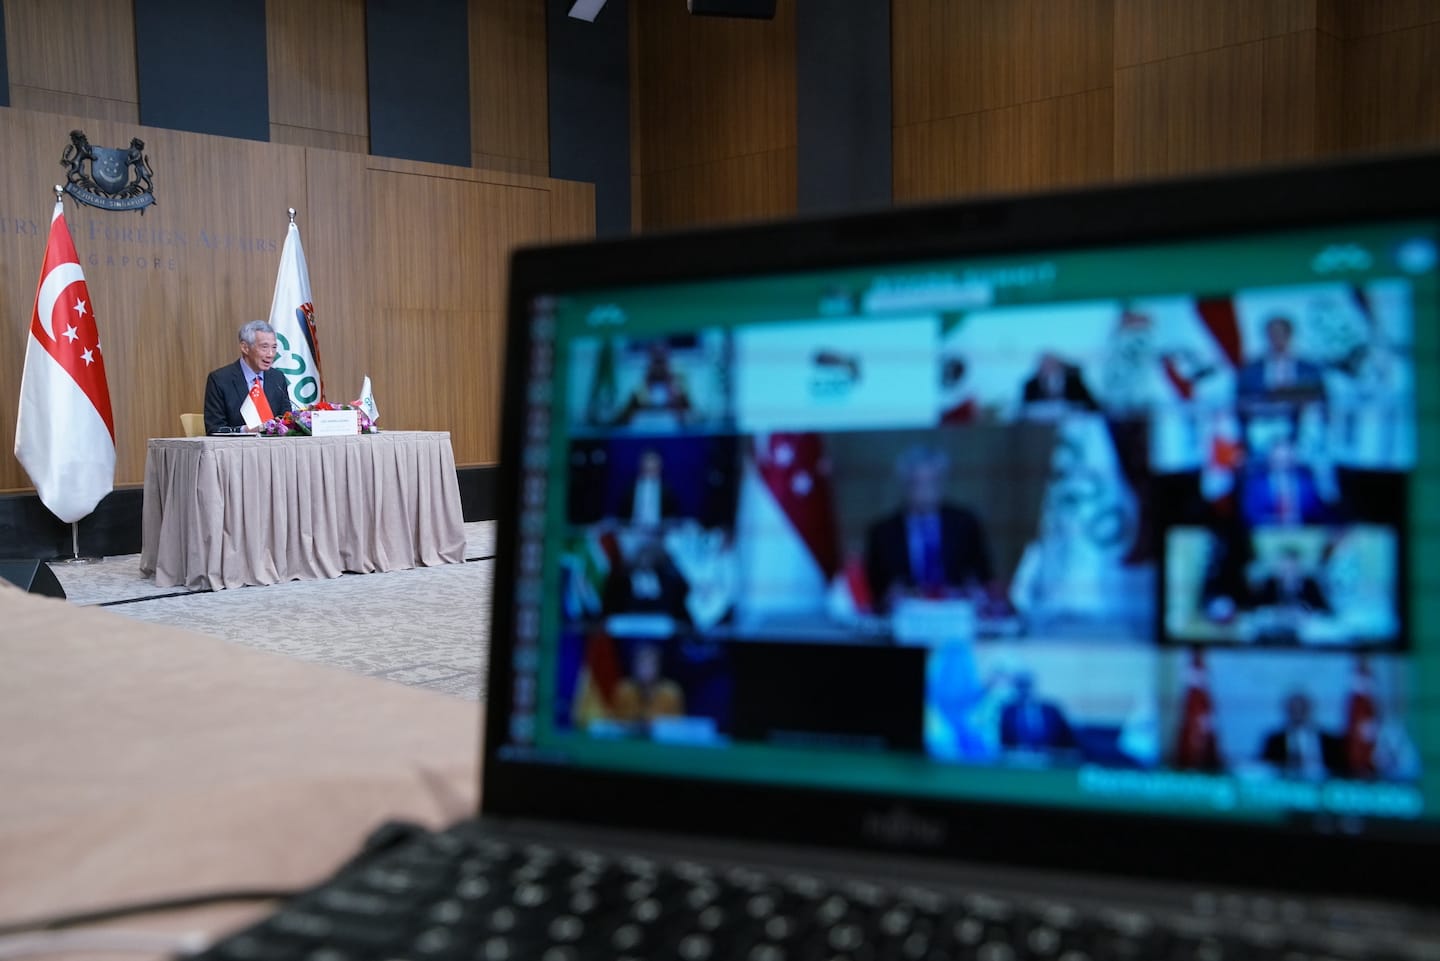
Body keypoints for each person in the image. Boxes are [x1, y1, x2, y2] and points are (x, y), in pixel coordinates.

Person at [864, 445, 993, 614]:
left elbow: (984, 577)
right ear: (905, 485)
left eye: (932, 483)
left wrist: (975, 591)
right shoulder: (882, 532)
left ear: (942, 483)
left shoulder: (965, 523)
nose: (925, 492)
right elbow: (874, 590)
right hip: (906, 614)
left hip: (954, 611)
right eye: (918, 483)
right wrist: (887, 598)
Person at [203, 320, 293, 433]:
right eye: (264, 347)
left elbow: (287, 420)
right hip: (235, 449)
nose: (271, 354)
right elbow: (214, 428)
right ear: (245, 348)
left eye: (274, 347)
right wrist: (244, 430)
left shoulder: (277, 378)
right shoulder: (220, 380)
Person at [1236, 315, 1326, 408]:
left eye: (1281, 333)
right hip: (1262, 417)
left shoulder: (1309, 368)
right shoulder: (1251, 369)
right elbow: (1243, 397)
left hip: (1302, 417)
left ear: (1289, 335)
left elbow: (1318, 395)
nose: (1277, 338)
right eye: (1273, 334)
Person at [1240, 437, 1330, 526]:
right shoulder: (1256, 485)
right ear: (1270, 459)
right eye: (1279, 459)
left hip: (1303, 533)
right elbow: (1250, 515)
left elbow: (1317, 513)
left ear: (1293, 459)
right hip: (1267, 535)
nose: (1283, 462)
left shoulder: (1307, 484)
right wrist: (1276, 520)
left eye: (1286, 458)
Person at [1259, 690, 1345, 779]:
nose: (1298, 713)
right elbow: (1265, 768)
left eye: (1302, 709)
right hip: (1287, 787)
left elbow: (1342, 769)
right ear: (1287, 711)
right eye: (1293, 709)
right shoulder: (1274, 741)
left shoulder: (1330, 741)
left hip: (1325, 786)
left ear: (1310, 709)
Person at [998, 671, 1077, 753]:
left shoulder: (1051, 710)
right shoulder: (1008, 712)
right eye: (1020, 685)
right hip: (1019, 758)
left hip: (1050, 757)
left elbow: (1067, 738)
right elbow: (1004, 741)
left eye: (1026, 685)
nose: (1024, 689)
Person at [612, 642, 686, 724]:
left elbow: (676, 725)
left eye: (650, 665)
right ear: (634, 667)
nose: (645, 670)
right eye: (642, 665)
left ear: (658, 667)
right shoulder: (624, 690)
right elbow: (617, 721)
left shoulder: (671, 693)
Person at [613, 448, 682, 527]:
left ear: (660, 466)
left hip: (660, 533)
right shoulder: (629, 490)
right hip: (632, 531)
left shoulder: (668, 491)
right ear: (640, 466)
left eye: (653, 465)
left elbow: (673, 517)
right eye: (647, 464)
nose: (650, 467)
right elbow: (621, 516)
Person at [1252, 546, 1331, 615]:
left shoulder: (1309, 584)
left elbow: (1323, 609)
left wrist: (1307, 609)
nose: (1289, 573)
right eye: (1285, 569)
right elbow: (1257, 608)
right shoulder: (1271, 583)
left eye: (1292, 568)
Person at [1019, 352, 1098, 415]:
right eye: (1045, 365)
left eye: (1051, 364)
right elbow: (1025, 408)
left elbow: (1090, 403)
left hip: (1073, 422)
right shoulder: (1031, 385)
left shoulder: (1074, 382)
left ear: (1059, 365)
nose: (1048, 368)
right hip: (1041, 426)